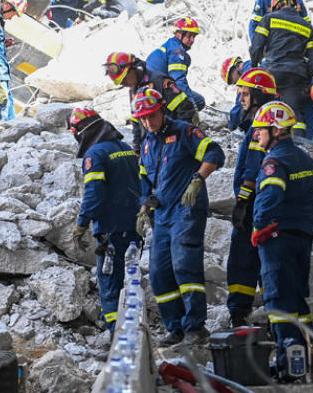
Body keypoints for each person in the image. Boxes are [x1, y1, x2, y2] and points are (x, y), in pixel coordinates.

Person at [134, 88, 225, 347]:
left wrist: (198, 179)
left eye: (152, 116)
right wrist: (143, 211)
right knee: (160, 273)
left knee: (184, 265)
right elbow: (145, 181)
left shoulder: (185, 132)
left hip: (186, 210)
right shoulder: (147, 143)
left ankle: (196, 327)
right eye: (143, 119)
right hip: (161, 216)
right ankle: (175, 328)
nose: (148, 123)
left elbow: (215, 154)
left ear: (162, 110)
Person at [250, 101, 313, 382]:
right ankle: (304, 362)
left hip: (277, 237)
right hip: (300, 236)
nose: (257, 133)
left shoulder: (274, 162)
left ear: (276, 130)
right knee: (296, 300)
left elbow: (270, 197)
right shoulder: (304, 158)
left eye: (261, 128)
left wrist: (259, 225)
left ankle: (290, 365)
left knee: (278, 300)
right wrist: (309, 220)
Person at [69, 108, 142, 332]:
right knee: (129, 283)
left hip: (111, 229)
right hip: (133, 229)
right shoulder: (125, 149)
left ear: (80, 132)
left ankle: (115, 339)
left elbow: (94, 194)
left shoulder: (95, 155)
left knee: (110, 283)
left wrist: (81, 225)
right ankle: (132, 332)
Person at [225, 68, 280, 326]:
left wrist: (242, 203)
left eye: (246, 93)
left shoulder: (261, 125)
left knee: (243, 258)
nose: (241, 99)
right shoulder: (264, 121)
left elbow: (253, 167)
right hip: (260, 206)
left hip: (255, 207)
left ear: (259, 94)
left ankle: (240, 314)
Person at [250, 0, 313, 135]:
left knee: (261, 108)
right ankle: (301, 145)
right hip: (295, 76)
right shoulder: (307, 26)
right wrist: (305, 78)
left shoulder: (269, 19)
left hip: (271, 73)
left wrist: (255, 67)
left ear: (275, 6)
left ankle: (256, 138)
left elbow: (256, 47)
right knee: (296, 115)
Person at [104, 52, 198, 150]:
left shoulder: (158, 81)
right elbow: (136, 124)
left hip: (171, 144)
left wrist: (179, 137)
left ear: (133, 68)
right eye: (120, 83)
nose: (123, 84)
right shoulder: (133, 91)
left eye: (124, 78)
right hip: (153, 148)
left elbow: (185, 108)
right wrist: (137, 149)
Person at [147, 17, 206, 110]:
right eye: (189, 36)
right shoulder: (177, 52)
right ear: (179, 34)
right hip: (157, 92)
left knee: (199, 100)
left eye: (194, 36)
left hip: (152, 88)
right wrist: (191, 105)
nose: (192, 40)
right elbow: (178, 81)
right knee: (195, 102)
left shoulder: (171, 45)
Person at [220, 56, 251, 130]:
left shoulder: (248, 75)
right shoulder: (252, 64)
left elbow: (239, 108)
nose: (234, 83)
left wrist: (231, 127)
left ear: (234, 68)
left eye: (231, 79)